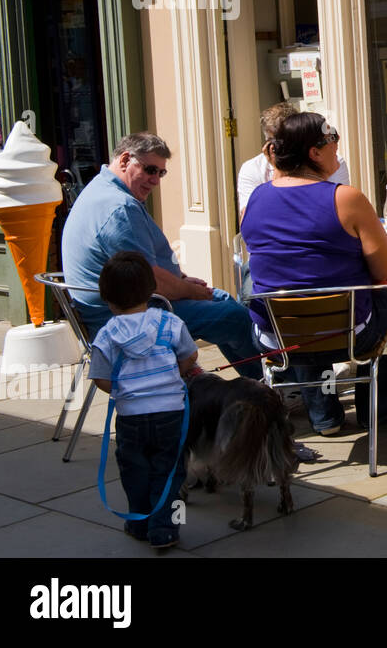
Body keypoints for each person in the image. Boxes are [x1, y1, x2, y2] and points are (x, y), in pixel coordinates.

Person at [241, 112, 387, 436]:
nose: (337, 147)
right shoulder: (346, 198)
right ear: (314, 153)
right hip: (350, 335)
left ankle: (326, 415)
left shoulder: (256, 198)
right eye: (332, 140)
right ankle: (379, 412)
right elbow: (385, 269)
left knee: (290, 293)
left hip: (279, 338)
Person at [61, 132, 261, 377]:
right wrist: (189, 290)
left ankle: (259, 384)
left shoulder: (102, 189)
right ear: (125, 160)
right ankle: (276, 385)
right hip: (127, 315)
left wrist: (182, 281)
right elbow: (149, 281)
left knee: (223, 300)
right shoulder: (119, 208)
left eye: (160, 173)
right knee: (232, 318)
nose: (155, 180)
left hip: (132, 304)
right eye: (149, 170)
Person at [89, 251, 198, 550]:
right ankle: (164, 529)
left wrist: (121, 389)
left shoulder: (107, 334)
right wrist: (175, 373)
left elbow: (99, 377)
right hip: (170, 414)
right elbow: (190, 356)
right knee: (169, 470)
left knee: (134, 469)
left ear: (107, 299)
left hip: (130, 416)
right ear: (152, 290)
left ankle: (138, 522)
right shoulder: (169, 322)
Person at [237, 102, 349, 220]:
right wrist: (279, 170)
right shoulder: (252, 168)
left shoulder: (332, 162)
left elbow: (334, 214)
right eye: (277, 143)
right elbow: (251, 220)